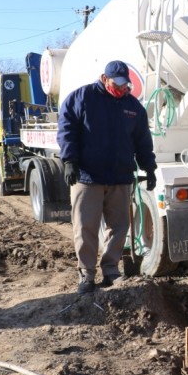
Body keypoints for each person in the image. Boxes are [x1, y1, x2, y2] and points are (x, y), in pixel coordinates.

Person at [57, 60, 157, 294]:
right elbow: (66, 129)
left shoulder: (133, 106)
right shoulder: (82, 98)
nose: (122, 89)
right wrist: (69, 161)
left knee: (119, 226)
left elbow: (142, 141)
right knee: (86, 227)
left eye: (125, 85)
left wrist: (149, 168)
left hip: (120, 177)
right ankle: (87, 275)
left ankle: (111, 269)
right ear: (104, 78)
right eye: (117, 84)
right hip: (87, 176)